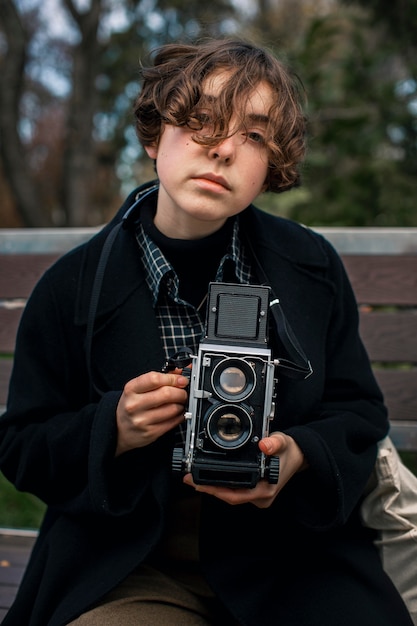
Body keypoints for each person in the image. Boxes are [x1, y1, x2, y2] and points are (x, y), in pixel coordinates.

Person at [0, 38, 413, 626]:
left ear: (272, 165)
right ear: (152, 136)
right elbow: (22, 445)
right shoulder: (72, 286)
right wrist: (112, 428)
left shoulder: (310, 267)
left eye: (254, 136)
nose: (223, 150)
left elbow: (356, 411)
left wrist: (298, 457)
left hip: (293, 559)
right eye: (201, 122)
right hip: (130, 565)